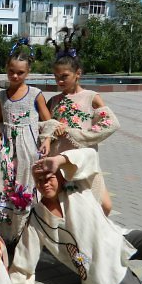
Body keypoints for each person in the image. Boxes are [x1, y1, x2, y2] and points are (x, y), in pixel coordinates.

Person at [9, 148, 142, 284]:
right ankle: (133, 282)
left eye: (50, 178)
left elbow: (90, 155)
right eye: (39, 180)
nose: (45, 183)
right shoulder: (38, 217)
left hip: (117, 239)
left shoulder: (77, 187)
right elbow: (26, 254)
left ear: (61, 177)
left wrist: (59, 160)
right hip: (99, 267)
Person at [0, 38, 53, 245]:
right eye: (12, 71)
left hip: (28, 150)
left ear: (28, 72)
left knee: (26, 187)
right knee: (5, 187)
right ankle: (6, 235)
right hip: (7, 151)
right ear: (6, 69)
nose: (15, 76)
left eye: (20, 72)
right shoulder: (1, 96)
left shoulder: (35, 94)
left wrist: (47, 140)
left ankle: (27, 235)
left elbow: (48, 121)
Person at [46, 32, 119, 216]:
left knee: (103, 206)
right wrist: (54, 131)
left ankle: (97, 237)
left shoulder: (91, 97)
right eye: (56, 77)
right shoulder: (53, 100)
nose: (59, 81)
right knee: (68, 207)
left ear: (78, 73)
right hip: (60, 161)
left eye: (64, 76)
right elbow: (44, 127)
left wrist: (79, 135)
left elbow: (110, 123)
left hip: (84, 160)